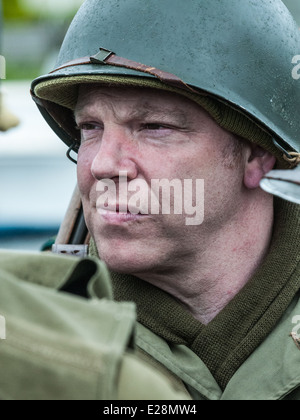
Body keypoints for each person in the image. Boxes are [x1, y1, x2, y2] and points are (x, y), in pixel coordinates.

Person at [6, 0, 300, 400]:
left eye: (153, 126)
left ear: (257, 154)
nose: (103, 164)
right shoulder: (25, 335)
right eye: (90, 127)